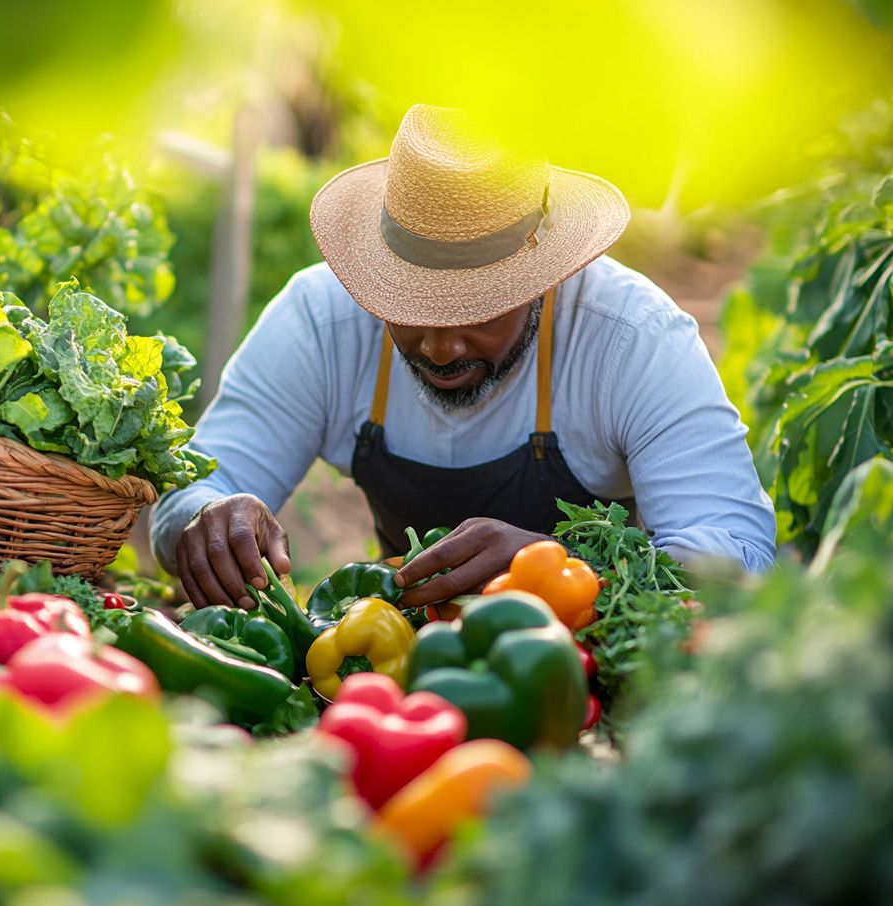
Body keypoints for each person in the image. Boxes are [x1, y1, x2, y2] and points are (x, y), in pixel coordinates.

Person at [150, 104, 776, 611]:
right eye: (410, 310)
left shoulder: (631, 338)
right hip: (395, 668)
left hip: (580, 675)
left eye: (478, 313)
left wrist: (555, 567)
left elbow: (736, 551)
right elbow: (192, 491)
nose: (442, 347)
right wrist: (208, 519)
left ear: (543, 278)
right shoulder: (321, 320)